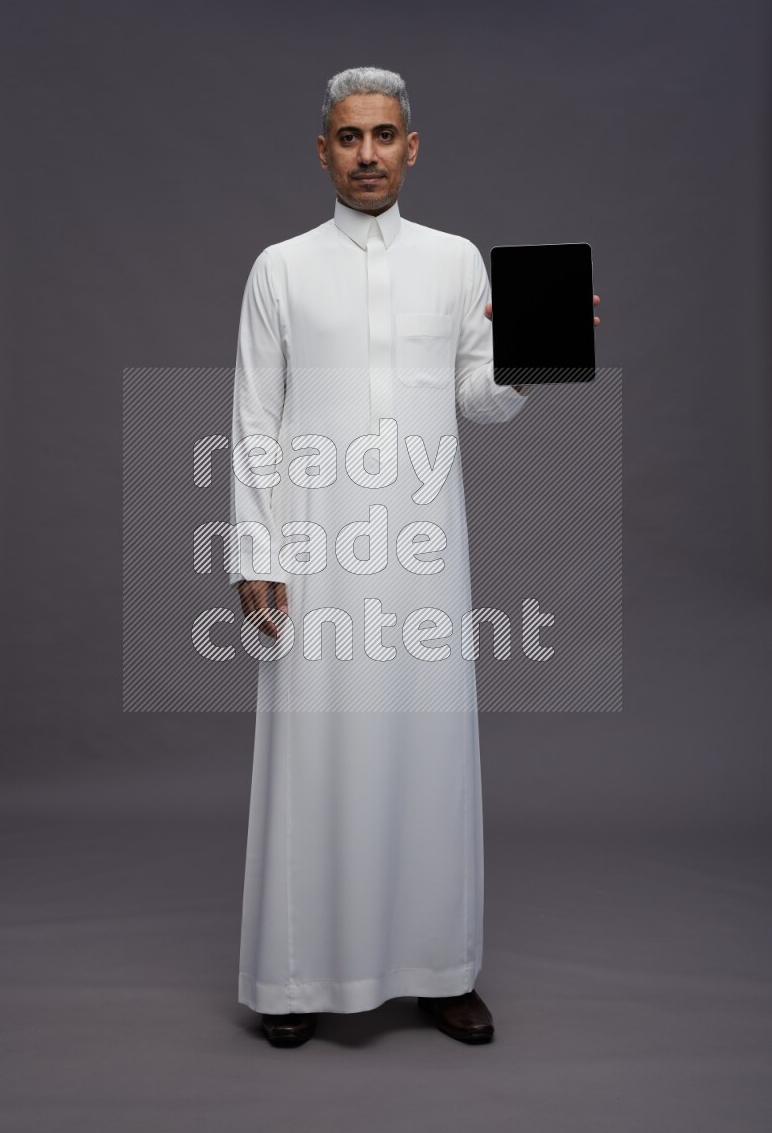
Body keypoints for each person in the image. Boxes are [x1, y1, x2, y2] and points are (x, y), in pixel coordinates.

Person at [229, 67, 602, 1048]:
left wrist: (530, 355)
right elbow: (253, 421)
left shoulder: (454, 263)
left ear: (411, 147)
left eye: (383, 136)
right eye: (348, 138)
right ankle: (296, 976)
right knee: (317, 753)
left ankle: (439, 968)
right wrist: (253, 548)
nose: (365, 154)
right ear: (322, 151)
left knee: (426, 750)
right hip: (314, 548)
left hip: (424, 549)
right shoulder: (279, 268)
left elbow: (478, 397)